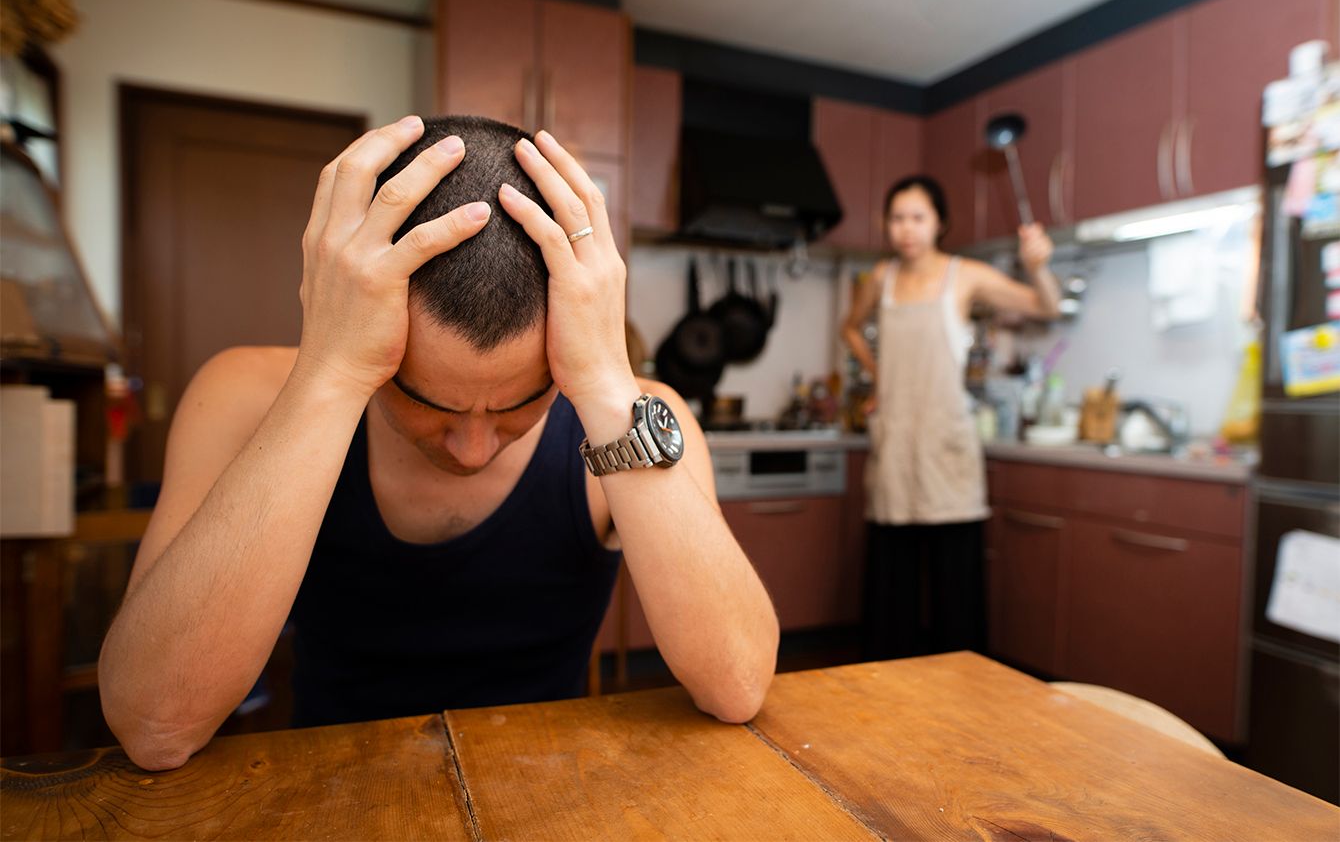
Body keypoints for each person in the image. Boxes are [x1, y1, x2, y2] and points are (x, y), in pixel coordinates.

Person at [98, 115, 780, 771]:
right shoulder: (244, 394)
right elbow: (156, 726)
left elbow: (738, 685)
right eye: (427, 402)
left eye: (518, 405)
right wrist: (332, 374)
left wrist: (603, 381)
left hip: (551, 793)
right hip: (326, 796)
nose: (473, 450)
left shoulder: (634, 416)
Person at [840, 175, 1059, 661]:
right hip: (896, 448)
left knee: (955, 596)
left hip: (947, 448)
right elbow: (850, 328)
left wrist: (1037, 267)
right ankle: (884, 692)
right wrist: (879, 376)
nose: (906, 229)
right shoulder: (881, 279)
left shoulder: (966, 276)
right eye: (897, 218)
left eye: (918, 217)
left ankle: (963, 693)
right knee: (890, 595)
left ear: (940, 223)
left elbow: (1046, 306)